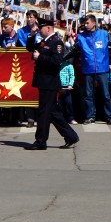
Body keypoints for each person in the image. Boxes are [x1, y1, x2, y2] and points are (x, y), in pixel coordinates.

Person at [25, 17, 79, 151]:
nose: (39, 30)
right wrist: (32, 35)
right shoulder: (45, 42)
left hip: (50, 82)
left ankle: (40, 141)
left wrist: (40, 57)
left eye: (41, 28)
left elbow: (56, 61)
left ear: (48, 28)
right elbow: (30, 48)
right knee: (53, 112)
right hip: (43, 81)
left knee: (44, 112)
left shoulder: (56, 42)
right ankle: (71, 136)